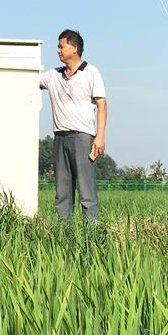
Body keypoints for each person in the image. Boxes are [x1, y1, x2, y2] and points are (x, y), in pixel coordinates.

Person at [40, 29, 107, 219]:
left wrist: (99, 137)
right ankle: (64, 237)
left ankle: (91, 238)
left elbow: (102, 104)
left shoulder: (91, 72)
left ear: (75, 48)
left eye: (62, 46)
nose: (58, 50)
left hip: (83, 138)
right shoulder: (53, 75)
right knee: (62, 193)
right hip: (60, 138)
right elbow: (27, 79)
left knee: (87, 193)